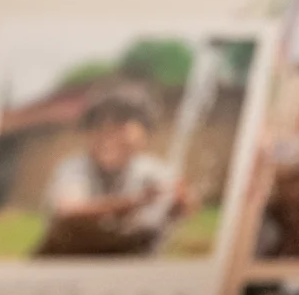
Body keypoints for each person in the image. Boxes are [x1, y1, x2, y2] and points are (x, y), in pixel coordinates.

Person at [37, 82, 194, 256]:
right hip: (71, 261)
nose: (108, 134)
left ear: (145, 134)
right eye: (98, 126)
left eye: (120, 126)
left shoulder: (154, 171)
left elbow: (177, 209)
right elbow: (69, 211)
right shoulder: (74, 168)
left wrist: (180, 205)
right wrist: (135, 202)